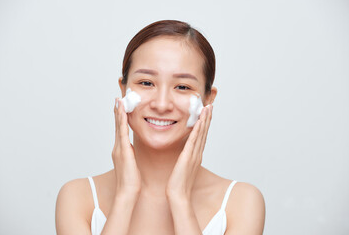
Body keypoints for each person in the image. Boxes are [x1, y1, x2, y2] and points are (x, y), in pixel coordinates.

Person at [55, 20, 265, 235]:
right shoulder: (78, 198)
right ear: (123, 89)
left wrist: (180, 199)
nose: (161, 104)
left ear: (208, 100)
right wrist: (125, 196)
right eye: (146, 83)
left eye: (182, 87)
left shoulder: (241, 202)